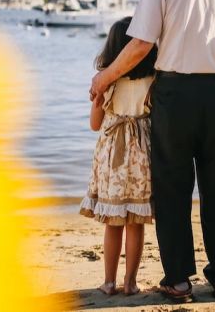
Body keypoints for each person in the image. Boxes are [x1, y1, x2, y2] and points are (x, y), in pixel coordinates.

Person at [89, 0, 215, 302]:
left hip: (174, 93)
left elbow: (140, 44)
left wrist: (105, 77)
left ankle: (177, 279)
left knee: (174, 189)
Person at [80, 17, 158, 296]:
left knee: (113, 223)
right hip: (142, 154)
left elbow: (94, 124)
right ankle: (132, 283)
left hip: (113, 153)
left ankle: (109, 282)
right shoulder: (154, 80)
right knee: (135, 223)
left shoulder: (107, 83)